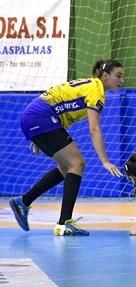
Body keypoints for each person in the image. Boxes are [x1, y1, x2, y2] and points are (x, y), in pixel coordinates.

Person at [10, 60, 126, 236]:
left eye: (123, 76)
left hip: (37, 117)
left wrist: (39, 137)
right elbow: (94, 130)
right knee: (77, 164)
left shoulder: (90, 85)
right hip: (40, 117)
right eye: (118, 76)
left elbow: (60, 105)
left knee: (67, 167)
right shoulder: (96, 91)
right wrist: (105, 161)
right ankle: (64, 223)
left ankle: (24, 202)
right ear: (105, 76)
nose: (122, 80)